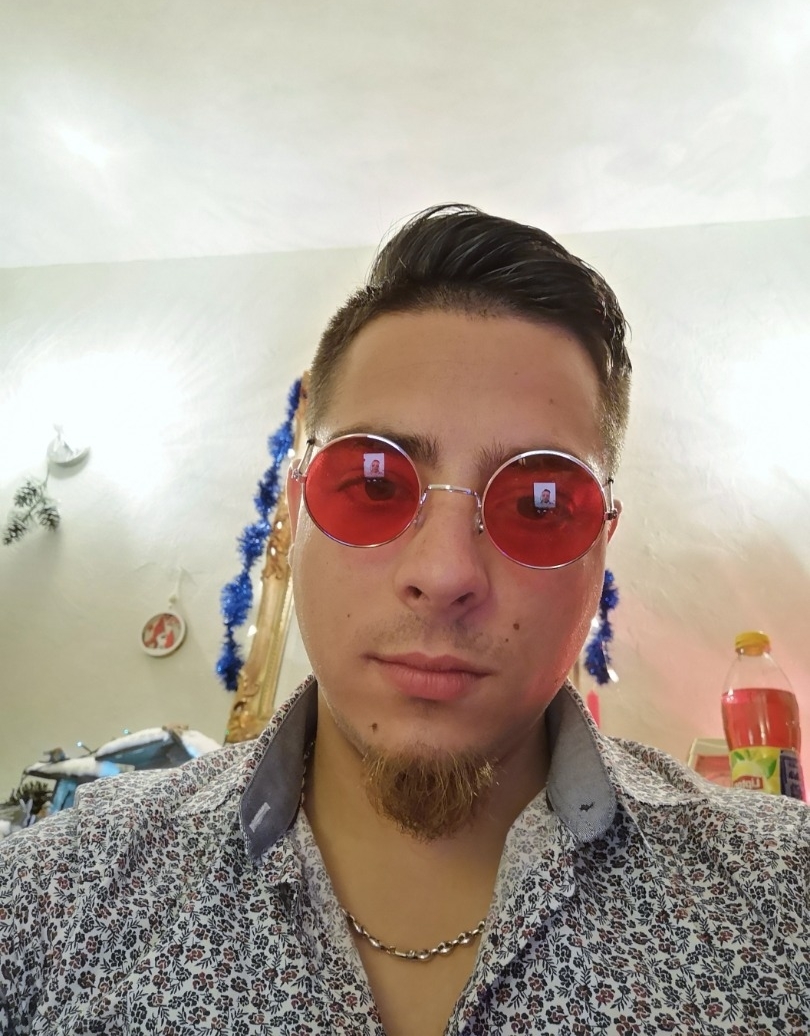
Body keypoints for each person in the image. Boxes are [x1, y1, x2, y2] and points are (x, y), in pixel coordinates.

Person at [1, 205, 807, 1036]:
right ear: (297, 514)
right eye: (376, 483)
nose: (446, 573)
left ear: (601, 547)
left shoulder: (785, 906)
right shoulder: (44, 906)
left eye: (538, 503)